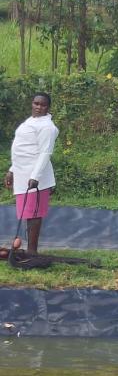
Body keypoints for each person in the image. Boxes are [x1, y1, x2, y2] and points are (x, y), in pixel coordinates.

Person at [3, 92, 59, 255]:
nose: (39, 107)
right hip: (22, 174)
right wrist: (12, 170)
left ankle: (32, 251)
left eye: (43, 105)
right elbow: (22, 149)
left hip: (36, 178)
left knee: (34, 214)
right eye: (36, 103)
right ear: (32, 104)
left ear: (48, 107)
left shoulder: (47, 127)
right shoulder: (30, 122)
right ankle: (29, 250)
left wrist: (35, 177)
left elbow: (45, 153)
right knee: (28, 212)